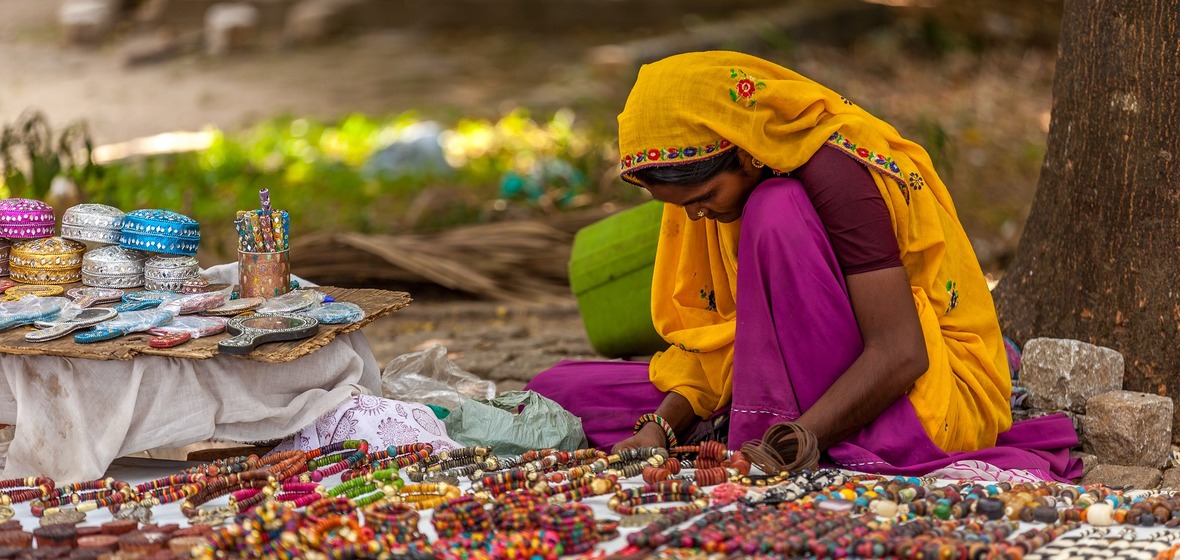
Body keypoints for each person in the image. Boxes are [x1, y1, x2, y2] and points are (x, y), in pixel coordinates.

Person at [525, 51, 1081, 481]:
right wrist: (660, 427)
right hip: (808, 374)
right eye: (681, 207)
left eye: (705, 196)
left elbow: (901, 353)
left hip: (917, 392)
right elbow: (723, 342)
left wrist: (790, 441)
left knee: (775, 209)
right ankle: (754, 416)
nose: (696, 217)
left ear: (745, 151)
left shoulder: (836, 174)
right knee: (557, 391)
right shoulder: (710, 201)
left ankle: (774, 421)